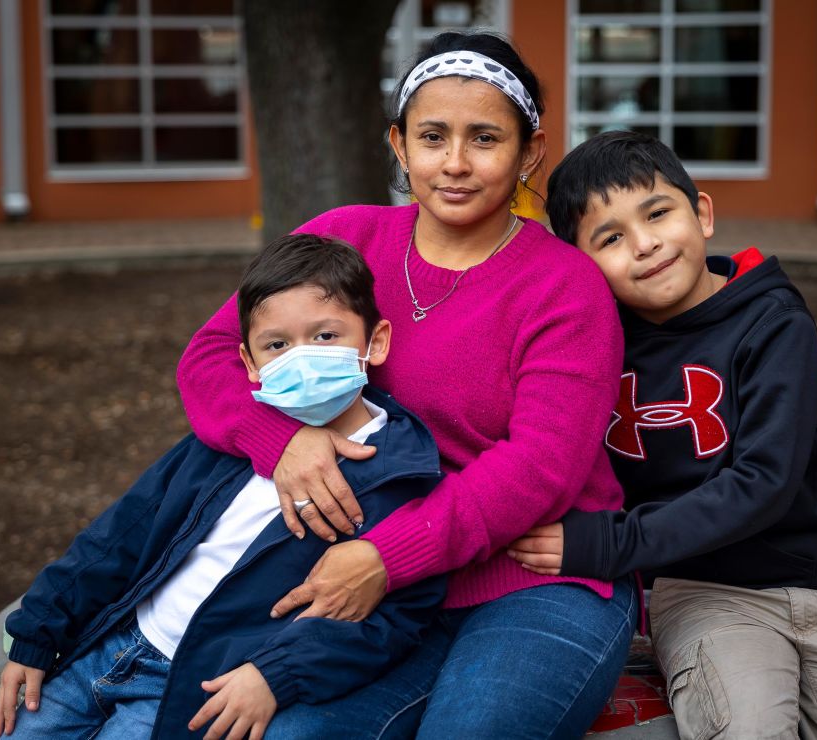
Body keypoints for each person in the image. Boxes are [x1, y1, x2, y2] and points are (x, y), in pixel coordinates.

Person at [176, 31, 637, 739]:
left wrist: (386, 558)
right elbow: (212, 356)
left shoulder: (563, 285)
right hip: (385, 594)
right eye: (432, 136)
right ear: (398, 145)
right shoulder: (345, 239)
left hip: (531, 584)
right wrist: (284, 443)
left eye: (485, 138)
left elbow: (539, 467)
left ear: (530, 151)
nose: (455, 163)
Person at [508, 130, 817, 739]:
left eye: (658, 212)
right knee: (747, 729)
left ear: (703, 214)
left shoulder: (773, 321)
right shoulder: (590, 347)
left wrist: (606, 542)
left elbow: (763, 482)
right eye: (610, 238)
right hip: (705, 592)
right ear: (583, 267)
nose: (646, 244)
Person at [0, 234, 447, 740]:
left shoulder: (400, 477)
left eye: (325, 337)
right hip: (107, 649)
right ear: (250, 365)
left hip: (191, 688)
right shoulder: (230, 440)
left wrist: (277, 674)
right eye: (277, 344)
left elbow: (388, 622)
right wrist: (36, 634)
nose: (302, 359)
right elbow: (119, 534)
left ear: (375, 341)